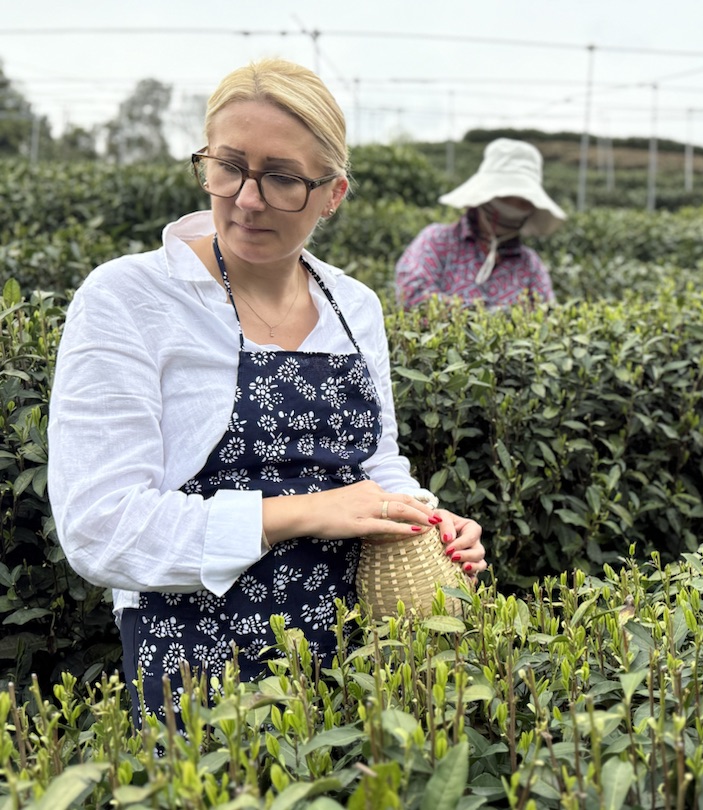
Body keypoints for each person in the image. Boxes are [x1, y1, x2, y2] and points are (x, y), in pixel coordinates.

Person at [47, 58, 487, 721]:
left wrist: (423, 515)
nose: (246, 200)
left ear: (334, 193)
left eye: (282, 179)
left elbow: (376, 464)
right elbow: (99, 529)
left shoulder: (354, 306)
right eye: (228, 166)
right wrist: (306, 512)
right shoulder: (130, 298)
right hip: (196, 660)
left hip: (358, 655)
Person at [395, 137, 566, 310]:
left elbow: (547, 315)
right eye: (505, 198)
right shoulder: (437, 241)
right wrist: (487, 317)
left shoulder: (530, 265)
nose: (512, 208)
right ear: (483, 198)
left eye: (522, 201)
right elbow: (412, 296)